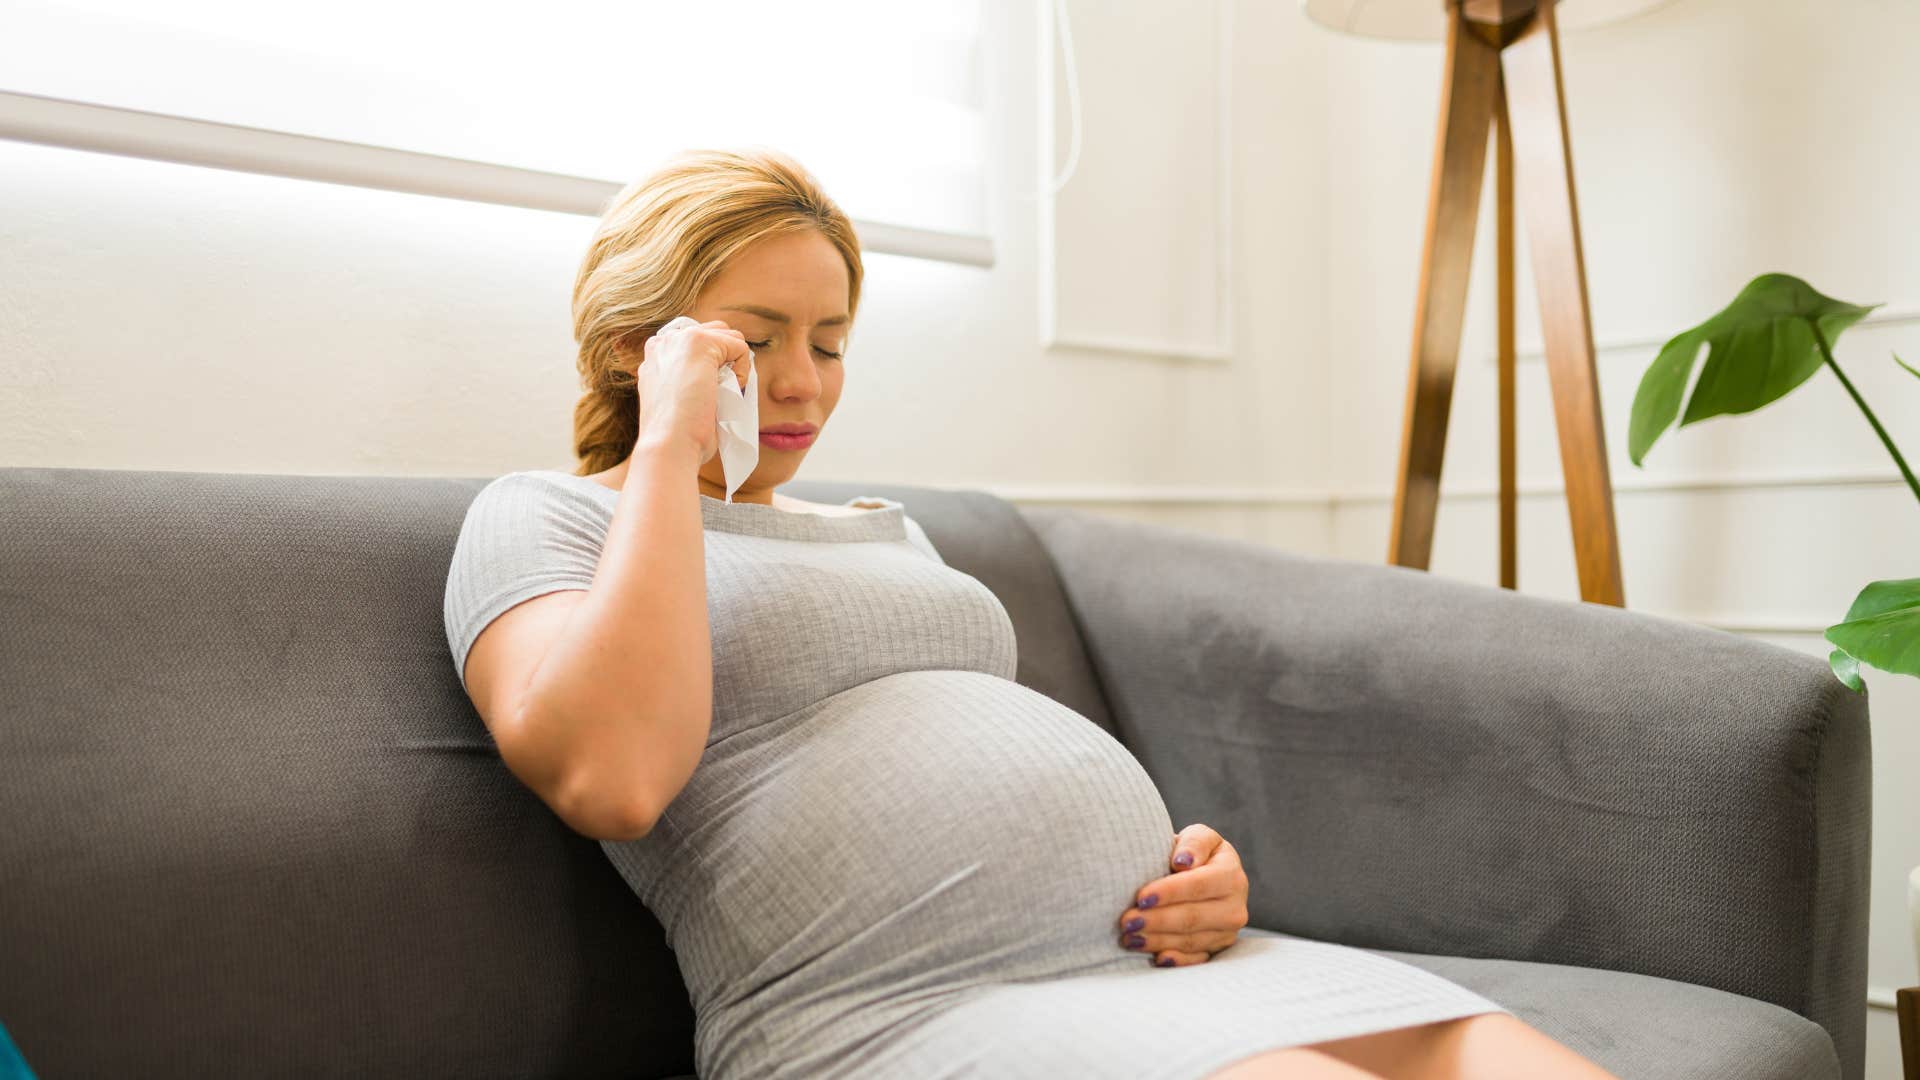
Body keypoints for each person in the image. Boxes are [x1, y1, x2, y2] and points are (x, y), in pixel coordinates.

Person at [442, 147, 1620, 1079]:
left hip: (1148, 963)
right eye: (752, 343)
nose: (802, 382)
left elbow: (977, 762)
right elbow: (614, 778)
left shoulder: (879, 522)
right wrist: (666, 453)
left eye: (832, 341)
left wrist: (1187, 866)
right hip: (907, 1006)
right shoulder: (549, 519)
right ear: (634, 350)